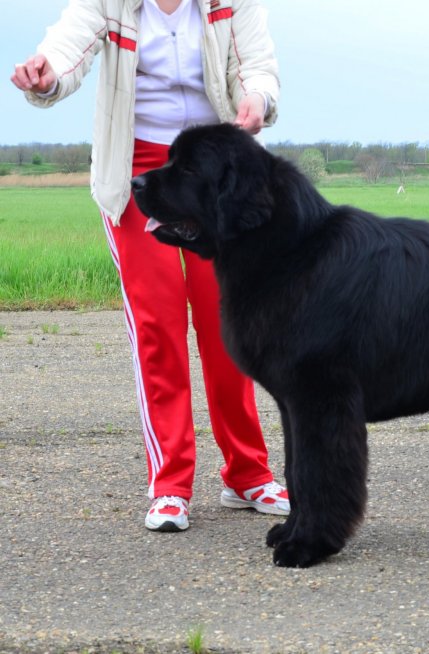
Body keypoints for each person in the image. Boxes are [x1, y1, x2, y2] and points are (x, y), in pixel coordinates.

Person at [11, 0, 289, 532]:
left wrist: (256, 98)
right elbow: (68, 46)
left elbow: (259, 67)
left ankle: (247, 473)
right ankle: (170, 485)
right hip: (140, 176)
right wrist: (44, 76)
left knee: (228, 325)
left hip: (213, 181)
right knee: (158, 325)